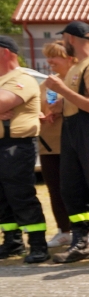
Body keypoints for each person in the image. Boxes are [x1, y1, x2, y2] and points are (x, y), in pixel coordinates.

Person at [43, 20, 89, 261]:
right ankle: (81, 241)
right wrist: (58, 106)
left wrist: (61, 90)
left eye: (64, 39)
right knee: (72, 187)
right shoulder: (77, 67)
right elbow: (76, 99)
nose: (63, 43)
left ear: (71, 39)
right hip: (73, 130)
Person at [0, 35, 50, 263]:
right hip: (4, 144)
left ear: (5, 52)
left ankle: (38, 244)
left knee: (20, 194)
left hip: (16, 145)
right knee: (1, 196)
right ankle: (12, 241)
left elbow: (2, 102)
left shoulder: (22, 78)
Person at [37, 41, 73, 244]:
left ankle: (88, 230)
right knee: (54, 189)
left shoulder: (75, 79)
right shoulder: (49, 82)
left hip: (70, 144)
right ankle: (63, 230)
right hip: (49, 145)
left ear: (69, 58)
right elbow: (40, 104)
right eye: (48, 56)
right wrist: (41, 113)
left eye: (54, 56)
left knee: (77, 188)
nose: (49, 61)